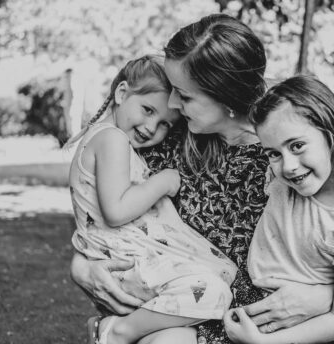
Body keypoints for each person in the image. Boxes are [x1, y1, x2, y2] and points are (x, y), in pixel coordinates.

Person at [70, 14, 334, 344]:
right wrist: (81, 266)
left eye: (184, 95)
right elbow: (107, 210)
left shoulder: (287, 155)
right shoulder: (168, 137)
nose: (171, 103)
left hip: (265, 328)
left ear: (225, 98)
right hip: (187, 316)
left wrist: (324, 296)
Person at [66, 54, 239, 344]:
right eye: (147, 110)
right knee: (215, 290)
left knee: (218, 279)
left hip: (125, 258)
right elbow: (116, 210)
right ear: (121, 93)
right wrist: (163, 181)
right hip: (125, 261)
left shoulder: (112, 138)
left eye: (164, 125)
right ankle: (115, 332)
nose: (151, 127)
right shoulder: (112, 139)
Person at [222, 75, 334, 344]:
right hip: (245, 307)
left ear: (332, 135)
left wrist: (264, 343)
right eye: (273, 153)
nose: (289, 165)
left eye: (297, 146)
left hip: (301, 332)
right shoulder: (280, 182)